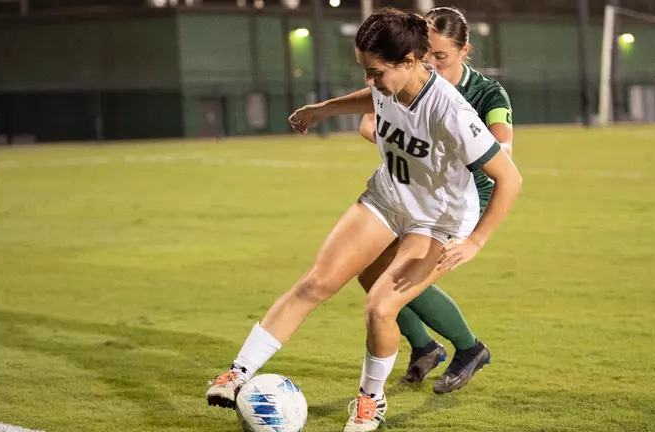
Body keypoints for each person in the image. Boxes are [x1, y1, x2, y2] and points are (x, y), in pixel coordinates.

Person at [206, 8, 522, 432]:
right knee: (316, 282)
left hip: (436, 220)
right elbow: (370, 98)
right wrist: (320, 111)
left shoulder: (451, 111)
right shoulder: (388, 86)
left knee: (379, 307)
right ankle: (237, 374)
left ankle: (370, 400)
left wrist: (477, 241)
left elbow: (510, 177)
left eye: (375, 72)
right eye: (364, 71)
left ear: (410, 61)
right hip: (387, 199)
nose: (370, 82)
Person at [355, 6, 515, 395]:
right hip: (416, 190)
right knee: (368, 272)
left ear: (465, 50)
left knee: (399, 284)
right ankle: (425, 347)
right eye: (427, 56)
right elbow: (367, 125)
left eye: (441, 57)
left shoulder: (485, 93)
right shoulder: (410, 83)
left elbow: (503, 150)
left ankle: (469, 348)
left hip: (460, 200)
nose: (433, 64)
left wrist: (476, 237)